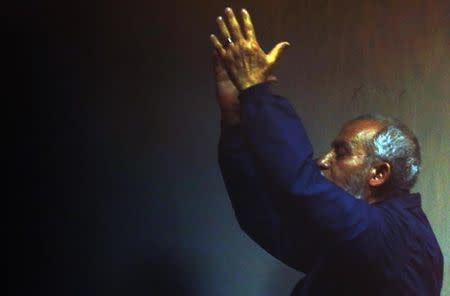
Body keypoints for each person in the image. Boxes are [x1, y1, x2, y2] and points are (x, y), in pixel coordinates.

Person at [211, 7, 443, 295]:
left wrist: (255, 92)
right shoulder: (356, 236)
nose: (323, 160)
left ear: (379, 173)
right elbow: (262, 220)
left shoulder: (398, 237)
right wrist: (234, 121)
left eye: (341, 153)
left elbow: (300, 182)